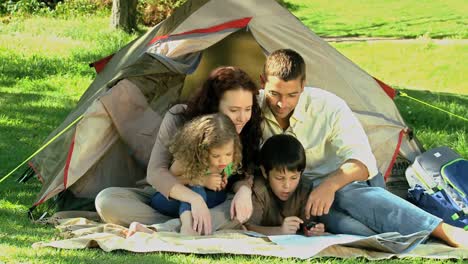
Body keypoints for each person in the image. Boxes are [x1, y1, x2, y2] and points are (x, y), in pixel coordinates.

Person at [258, 48, 468, 247]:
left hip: (350, 183)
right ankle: (407, 235)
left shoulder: (328, 106)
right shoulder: (251, 110)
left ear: (303, 86)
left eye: (291, 95)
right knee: (350, 227)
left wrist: (330, 185)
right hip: (307, 197)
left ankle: (444, 230)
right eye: (275, 94)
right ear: (262, 82)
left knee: (346, 196)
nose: (281, 104)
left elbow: (363, 162)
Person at [96, 66, 262, 236]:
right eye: (234, 110)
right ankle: (192, 225)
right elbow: (156, 173)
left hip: (214, 201)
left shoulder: (248, 128)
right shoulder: (179, 117)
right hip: (170, 194)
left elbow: (240, 174)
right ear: (214, 104)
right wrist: (194, 197)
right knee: (106, 201)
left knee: (242, 209)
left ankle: (163, 229)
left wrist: (244, 190)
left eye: (247, 109)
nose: (242, 118)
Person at [244, 134, 326, 236]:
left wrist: (312, 229)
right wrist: (279, 231)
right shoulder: (258, 189)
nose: (287, 185)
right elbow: (248, 227)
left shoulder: (304, 188)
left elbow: (307, 224)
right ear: (265, 172)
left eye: (294, 178)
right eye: (279, 178)